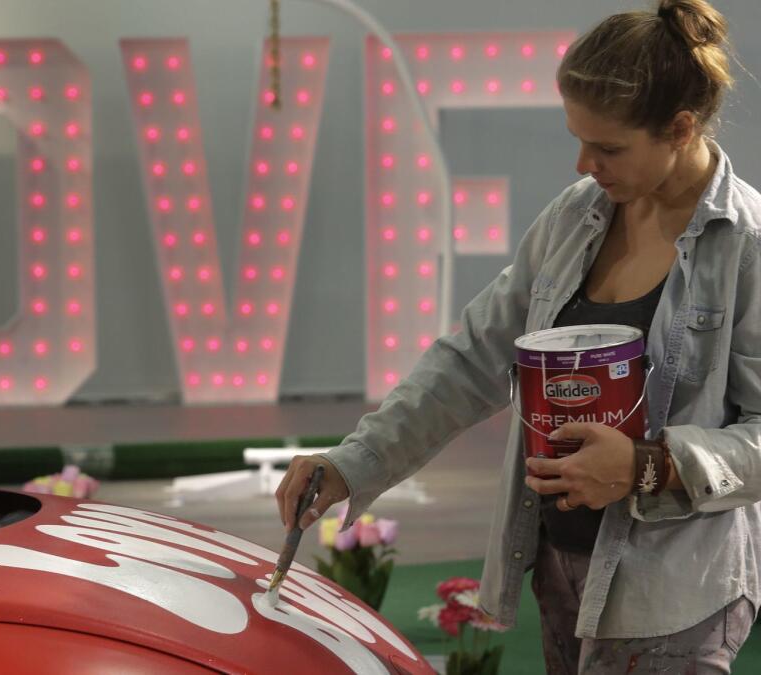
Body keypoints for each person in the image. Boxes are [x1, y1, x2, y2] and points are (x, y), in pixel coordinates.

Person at [276, 0, 761, 671]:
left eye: (609, 147)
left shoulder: (748, 247)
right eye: (578, 138)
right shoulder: (573, 219)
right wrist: (352, 461)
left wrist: (646, 466)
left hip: (676, 595)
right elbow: (470, 358)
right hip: (559, 571)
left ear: (680, 128)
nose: (584, 164)